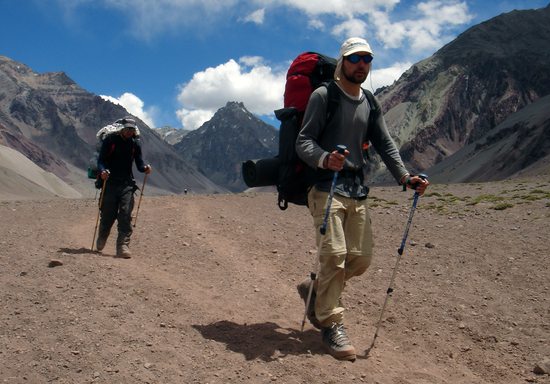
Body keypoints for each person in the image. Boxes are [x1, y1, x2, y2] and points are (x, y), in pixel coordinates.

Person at [295, 37, 429, 361]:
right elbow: (303, 141)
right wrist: (326, 158)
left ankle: (316, 291)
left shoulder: (370, 101)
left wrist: (404, 176)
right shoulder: (323, 96)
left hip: (356, 189)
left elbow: (385, 143)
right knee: (336, 254)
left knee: (361, 259)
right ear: (343, 61)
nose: (362, 65)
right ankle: (331, 324)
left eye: (367, 59)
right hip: (326, 186)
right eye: (355, 58)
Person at [96, 117, 152, 258]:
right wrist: (102, 171)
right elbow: (101, 160)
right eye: (127, 129)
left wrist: (145, 168)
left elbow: (139, 163)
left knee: (126, 214)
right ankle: (102, 236)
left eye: (132, 129)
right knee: (108, 214)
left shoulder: (134, 145)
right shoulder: (111, 141)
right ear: (122, 128)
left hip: (127, 183)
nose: (129, 132)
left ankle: (123, 246)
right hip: (110, 182)